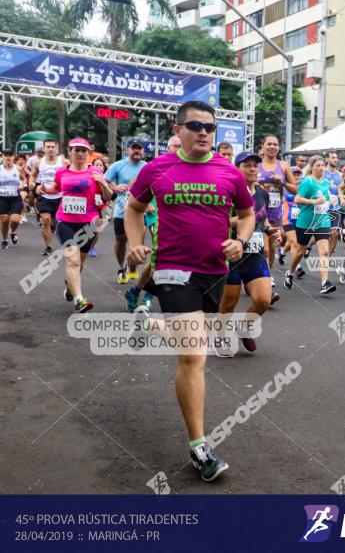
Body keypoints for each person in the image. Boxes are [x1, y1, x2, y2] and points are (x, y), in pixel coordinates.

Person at [125, 100, 255, 482]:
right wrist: (135, 242)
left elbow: (247, 215)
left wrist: (242, 243)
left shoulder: (229, 173)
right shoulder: (157, 169)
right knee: (195, 356)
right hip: (172, 271)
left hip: (214, 272)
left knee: (193, 340)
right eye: (195, 125)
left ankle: (147, 325)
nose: (203, 132)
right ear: (178, 130)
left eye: (210, 128)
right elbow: (134, 208)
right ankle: (199, 446)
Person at [215, 152, 281, 357]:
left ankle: (243, 327)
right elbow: (220, 221)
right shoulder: (227, 192)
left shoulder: (262, 193)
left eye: (255, 165)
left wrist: (270, 230)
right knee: (228, 303)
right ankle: (221, 335)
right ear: (237, 169)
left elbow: (263, 219)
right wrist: (246, 218)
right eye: (247, 165)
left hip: (255, 254)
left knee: (263, 300)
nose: (253, 169)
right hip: (232, 254)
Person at [36, 138, 112, 313]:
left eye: (83, 151)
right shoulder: (62, 171)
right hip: (65, 222)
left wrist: (102, 184)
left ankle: (70, 286)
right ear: (69, 152)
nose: (80, 154)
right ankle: (79, 300)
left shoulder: (95, 171)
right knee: (73, 260)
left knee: (80, 264)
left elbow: (107, 197)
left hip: (88, 224)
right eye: (76, 150)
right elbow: (56, 188)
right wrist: (45, 190)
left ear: (88, 153)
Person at [284, 155, 336, 294]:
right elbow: (297, 199)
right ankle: (290, 272)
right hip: (306, 221)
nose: (320, 168)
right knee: (300, 252)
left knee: (324, 252)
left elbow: (324, 199)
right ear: (312, 167)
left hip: (322, 220)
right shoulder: (307, 181)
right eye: (317, 165)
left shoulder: (325, 182)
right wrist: (314, 202)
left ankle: (325, 283)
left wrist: (329, 201)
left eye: (322, 165)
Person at [104, 141, 148, 285]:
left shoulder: (147, 167)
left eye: (139, 149)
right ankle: (121, 267)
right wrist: (115, 187)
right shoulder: (118, 165)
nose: (137, 151)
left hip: (141, 210)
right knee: (120, 241)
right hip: (122, 210)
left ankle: (132, 266)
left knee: (138, 242)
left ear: (143, 151)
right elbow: (105, 181)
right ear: (127, 150)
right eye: (134, 148)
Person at [258, 135, 298, 281]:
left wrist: (283, 182)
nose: (272, 147)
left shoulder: (284, 166)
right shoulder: (256, 165)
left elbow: (295, 190)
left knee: (271, 247)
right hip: (259, 213)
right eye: (269, 144)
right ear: (263, 146)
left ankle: (262, 276)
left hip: (275, 214)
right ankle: (266, 280)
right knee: (265, 249)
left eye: (275, 144)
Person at [30, 138, 65, 256]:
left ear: (57, 148)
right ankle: (49, 247)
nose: (50, 149)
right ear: (44, 149)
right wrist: (32, 184)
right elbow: (33, 176)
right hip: (44, 196)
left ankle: (67, 243)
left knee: (61, 223)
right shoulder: (38, 163)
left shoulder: (64, 162)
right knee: (45, 220)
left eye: (52, 147)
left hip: (61, 196)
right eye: (48, 147)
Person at [0, 149, 26, 248]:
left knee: (15, 220)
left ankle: (13, 232)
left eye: (10, 155)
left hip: (15, 197)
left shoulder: (18, 168)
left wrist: (22, 185)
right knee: (4, 220)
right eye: (6, 155)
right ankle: (5, 240)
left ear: (13, 157)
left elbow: (24, 178)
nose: (8, 157)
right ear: (2, 157)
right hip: (2, 197)